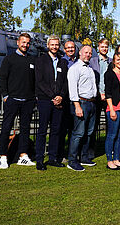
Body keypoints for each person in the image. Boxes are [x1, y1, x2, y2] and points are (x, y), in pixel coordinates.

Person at [0, 33, 36, 169]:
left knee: (25, 129)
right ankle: (3, 156)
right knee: (6, 127)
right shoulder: (9, 59)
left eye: (27, 43)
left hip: (28, 100)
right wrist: (6, 95)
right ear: (18, 43)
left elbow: (35, 80)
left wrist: (34, 96)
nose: (25, 45)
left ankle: (23, 156)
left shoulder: (32, 60)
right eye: (23, 42)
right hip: (12, 99)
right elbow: (2, 78)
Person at [34, 35, 68, 171]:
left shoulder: (62, 62)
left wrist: (61, 96)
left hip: (59, 101)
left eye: (57, 44)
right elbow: (40, 81)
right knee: (42, 131)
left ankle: (53, 158)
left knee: (56, 130)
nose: (54, 47)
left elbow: (66, 82)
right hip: (45, 100)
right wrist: (53, 96)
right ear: (48, 45)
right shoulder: (41, 60)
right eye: (52, 44)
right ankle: (39, 159)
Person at [67, 45, 97, 171]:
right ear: (80, 53)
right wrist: (77, 105)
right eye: (86, 52)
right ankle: (72, 160)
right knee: (78, 133)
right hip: (81, 103)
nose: (88, 55)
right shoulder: (75, 68)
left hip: (91, 103)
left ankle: (84, 157)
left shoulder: (90, 68)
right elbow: (72, 88)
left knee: (89, 133)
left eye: (90, 53)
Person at [89, 38, 112, 158]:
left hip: (108, 97)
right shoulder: (93, 61)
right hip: (96, 96)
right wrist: (98, 93)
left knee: (110, 124)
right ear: (98, 47)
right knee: (93, 124)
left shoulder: (111, 61)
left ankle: (109, 149)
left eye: (106, 47)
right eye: (102, 46)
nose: (104, 49)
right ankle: (90, 151)